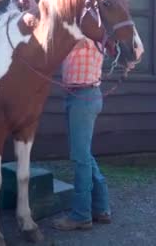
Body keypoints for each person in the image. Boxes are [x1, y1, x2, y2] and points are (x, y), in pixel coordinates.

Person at [52, 38, 111, 231]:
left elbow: (57, 42)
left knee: (80, 157)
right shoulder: (83, 35)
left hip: (83, 97)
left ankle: (81, 216)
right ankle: (101, 208)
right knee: (84, 154)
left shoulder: (88, 37)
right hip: (79, 96)